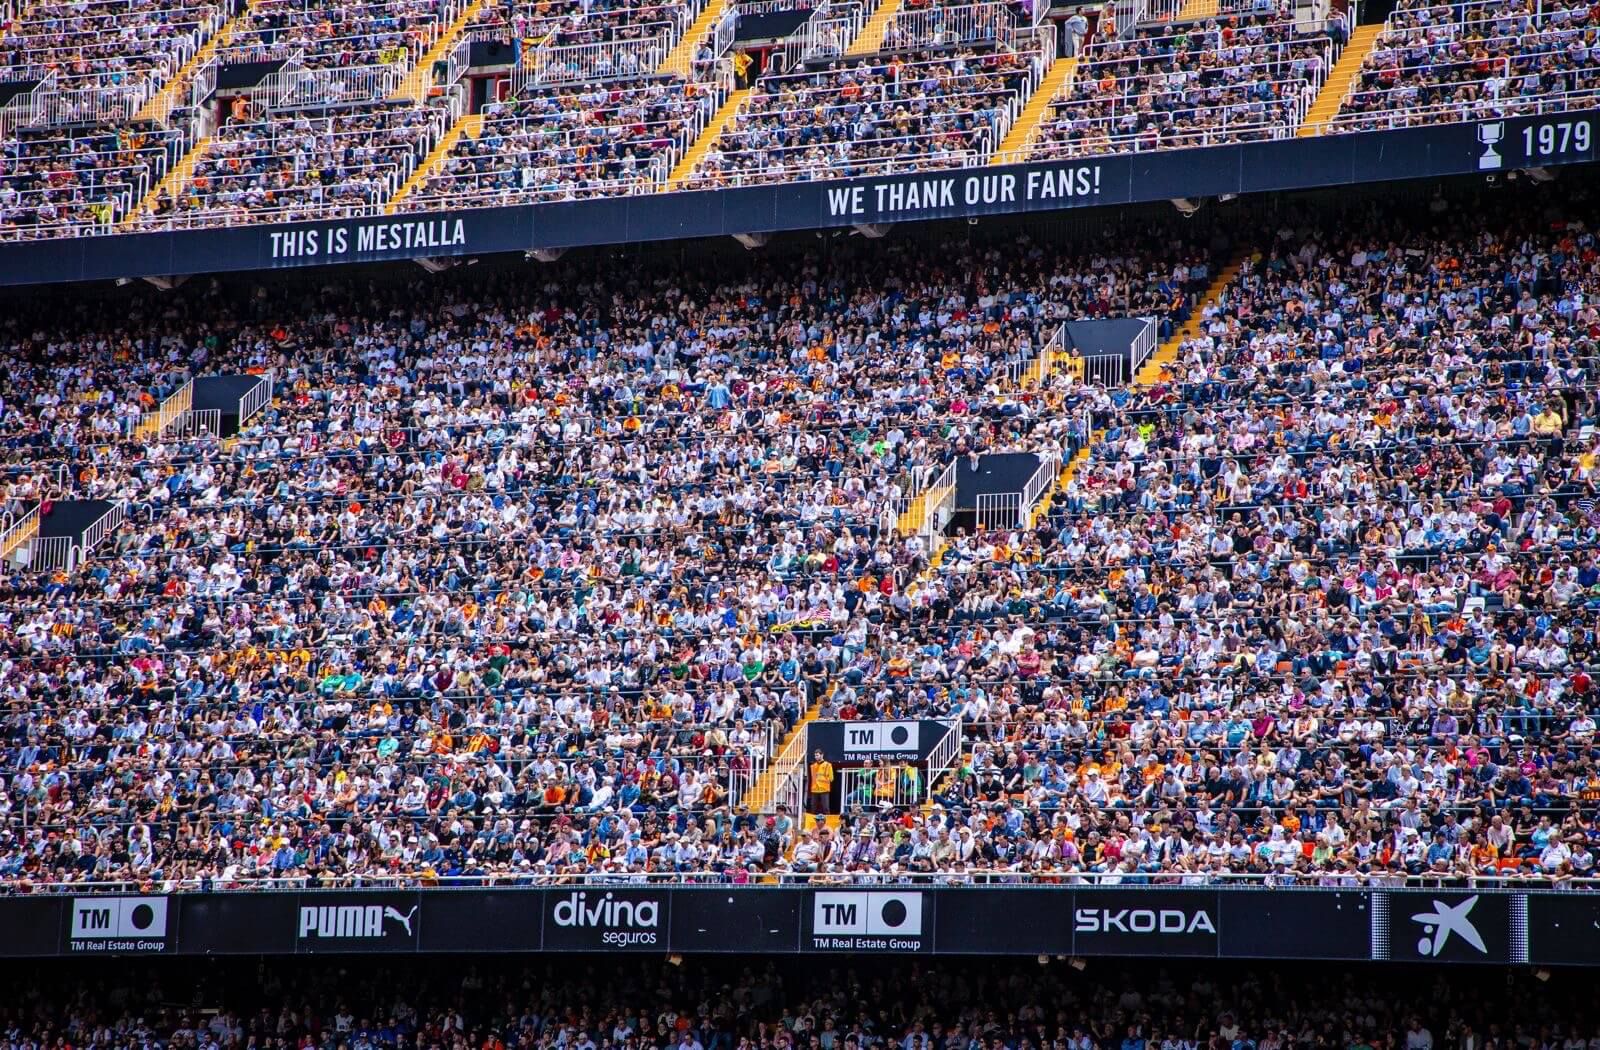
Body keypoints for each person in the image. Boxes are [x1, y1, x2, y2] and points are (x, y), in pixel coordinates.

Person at [809, 749, 835, 815]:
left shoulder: (828, 765)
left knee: (826, 808)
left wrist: (823, 779)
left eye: (817, 755)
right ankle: (813, 822)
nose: (816, 757)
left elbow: (831, 778)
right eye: (815, 756)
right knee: (813, 808)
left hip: (824, 788)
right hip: (815, 789)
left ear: (822, 755)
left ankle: (827, 822)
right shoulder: (813, 766)